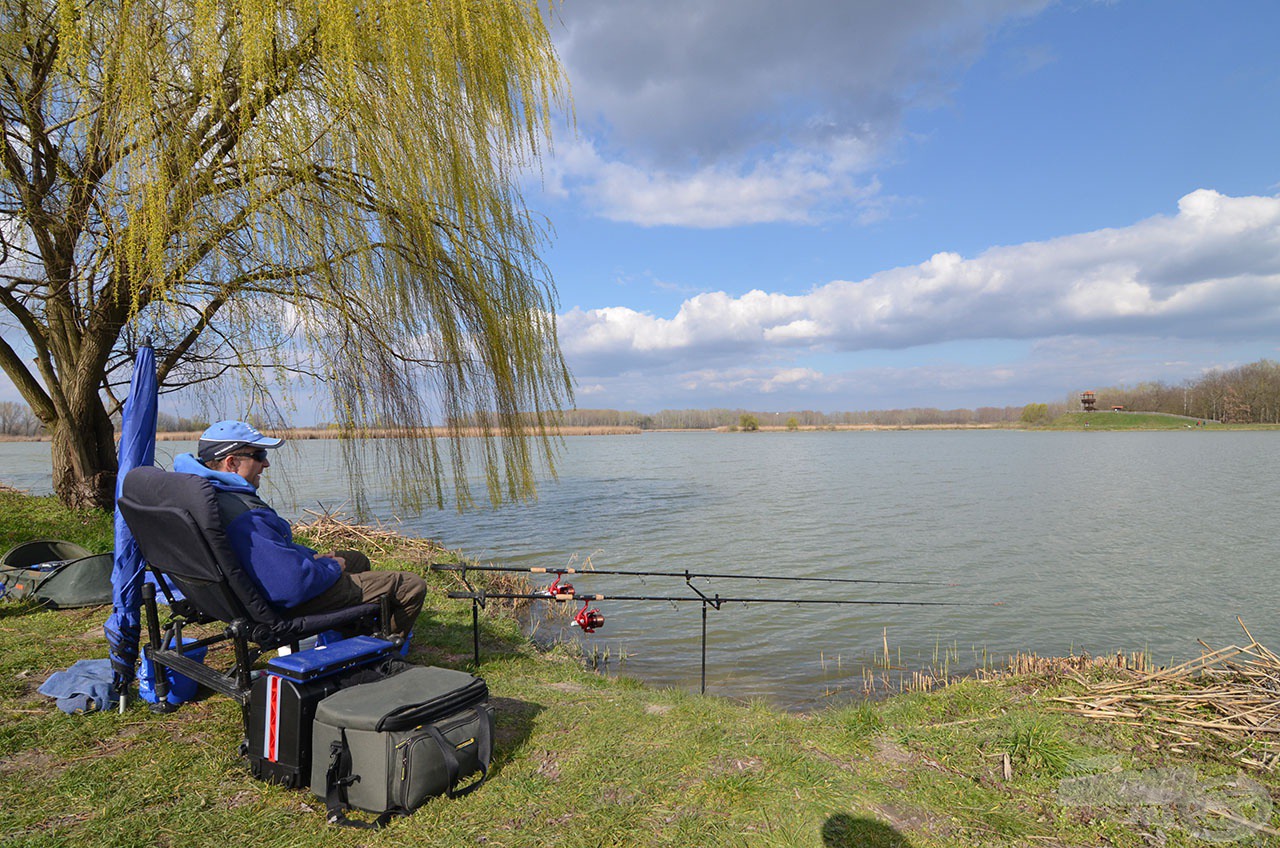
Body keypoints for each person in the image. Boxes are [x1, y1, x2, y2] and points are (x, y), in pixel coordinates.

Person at [173, 420, 426, 639]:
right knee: (409, 586)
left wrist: (309, 558)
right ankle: (384, 647)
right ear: (232, 462)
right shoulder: (245, 516)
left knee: (356, 559)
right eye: (259, 455)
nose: (266, 464)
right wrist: (329, 567)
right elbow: (290, 586)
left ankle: (351, 632)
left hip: (238, 594)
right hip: (278, 604)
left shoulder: (203, 493)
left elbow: (269, 555)